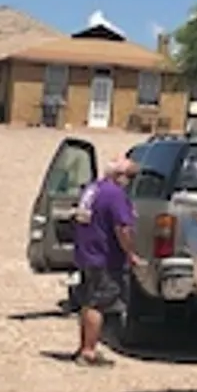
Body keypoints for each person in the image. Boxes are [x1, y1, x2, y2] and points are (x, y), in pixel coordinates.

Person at [72, 154, 141, 366]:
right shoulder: (114, 194)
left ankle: (85, 346)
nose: (130, 181)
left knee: (88, 301)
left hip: (86, 253)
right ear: (119, 176)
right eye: (130, 176)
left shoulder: (93, 189)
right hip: (103, 256)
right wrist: (130, 253)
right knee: (98, 303)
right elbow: (123, 228)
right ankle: (89, 352)